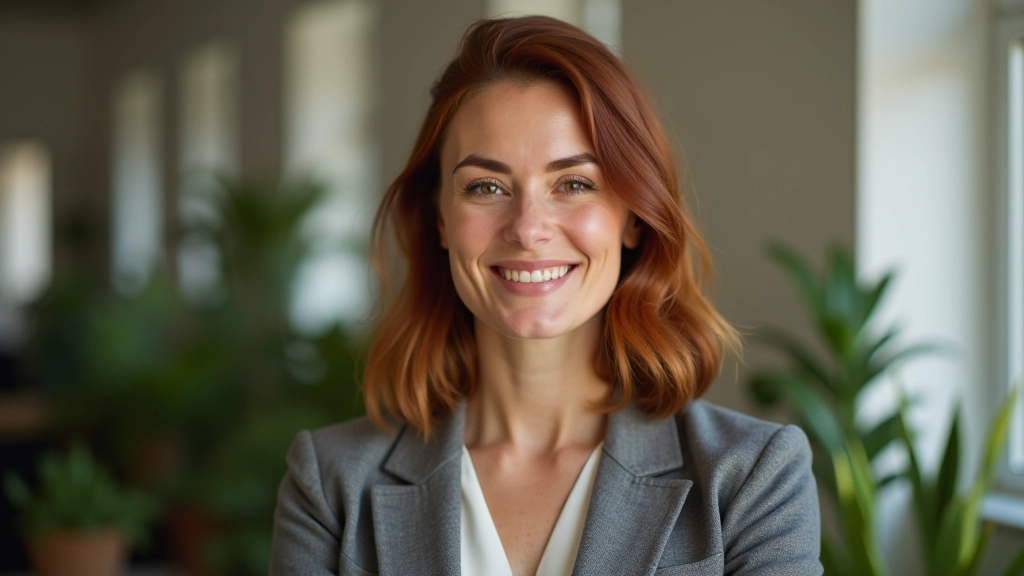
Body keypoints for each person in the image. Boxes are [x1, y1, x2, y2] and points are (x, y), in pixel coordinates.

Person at [270, 15, 822, 576]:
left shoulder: (751, 476)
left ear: (633, 217)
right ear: (439, 219)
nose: (528, 229)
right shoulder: (331, 483)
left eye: (574, 184)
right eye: (486, 187)